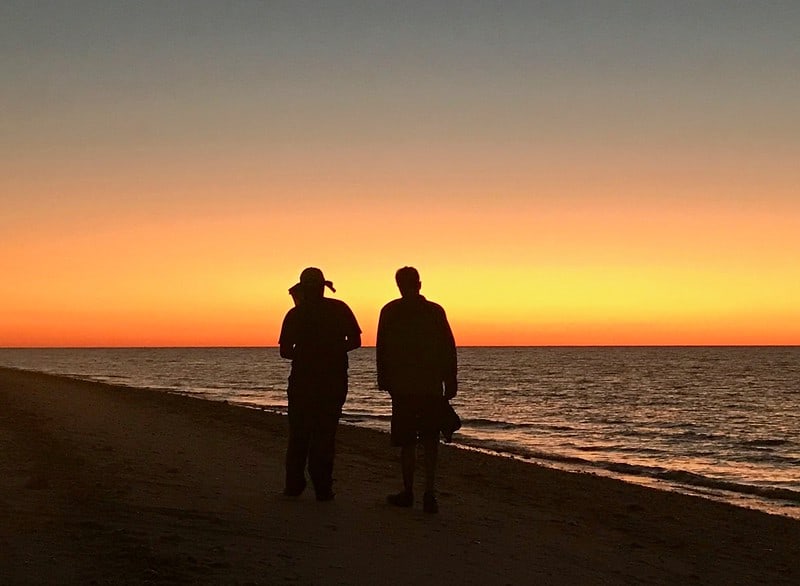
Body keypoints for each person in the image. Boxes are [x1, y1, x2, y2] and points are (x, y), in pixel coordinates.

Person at [376, 266, 457, 513]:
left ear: (399, 285)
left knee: (408, 442)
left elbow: (382, 349)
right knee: (430, 440)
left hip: (403, 386)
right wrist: (450, 379)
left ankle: (410, 491)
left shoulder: (390, 311)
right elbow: (448, 347)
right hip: (429, 385)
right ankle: (428, 492)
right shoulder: (433, 311)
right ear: (419, 284)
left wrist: (385, 380)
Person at [279, 267, 361, 501]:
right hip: (332, 381)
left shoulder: (295, 314)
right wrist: (333, 351)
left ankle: (294, 486)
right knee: (324, 435)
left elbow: (285, 351)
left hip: (304, 382)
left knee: (299, 436)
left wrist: (307, 354)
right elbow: (355, 341)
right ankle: (322, 487)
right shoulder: (339, 309)